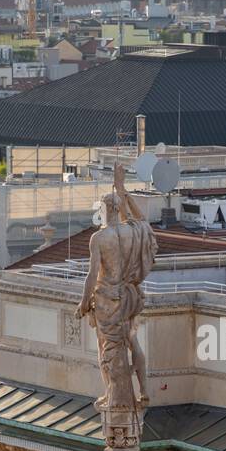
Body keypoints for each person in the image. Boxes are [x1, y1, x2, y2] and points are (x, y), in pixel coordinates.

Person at [76, 163, 158, 410]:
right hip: (130, 296)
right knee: (132, 342)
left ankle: (115, 394)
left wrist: (83, 302)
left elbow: (92, 274)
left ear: (103, 209)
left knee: (108, 348)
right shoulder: (133, 231)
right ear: (119, 208)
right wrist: (123, 190)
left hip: (108, 299)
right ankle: (143, 391)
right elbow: (142, 220)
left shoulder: (99, 238)